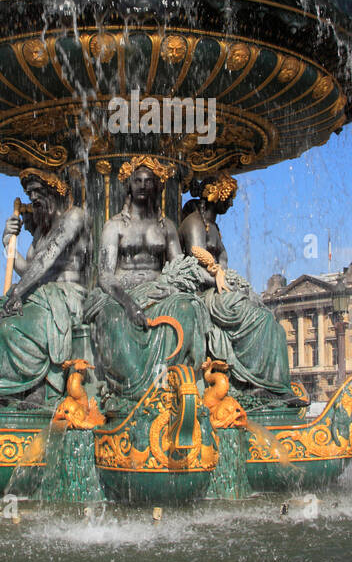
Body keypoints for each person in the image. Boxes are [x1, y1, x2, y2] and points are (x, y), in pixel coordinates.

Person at [0, 169, 90, 410]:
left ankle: (37, 389)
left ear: (55, 191)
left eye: (38, 193)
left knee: (14, 325)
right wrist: (7, 242)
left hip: (67, 295)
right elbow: (28, 270)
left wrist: (19, 292)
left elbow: (47, 260)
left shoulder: (74, 217)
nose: (33, 199)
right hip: (39, 294)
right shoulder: (42, 231)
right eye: (30, 195)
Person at [86, 156, 208, 404]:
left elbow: (179, 267)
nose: (142, 185)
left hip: (159, 290)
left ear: (157, 186)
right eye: (137, 181)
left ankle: (169, 381)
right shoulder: (114, 226)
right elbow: (105, 274)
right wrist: (129, 304)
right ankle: (130, 391)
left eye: (148, 181)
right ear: (129, 186)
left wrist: (179, 284)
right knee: (114, 317)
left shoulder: (167, 227)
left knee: (187, 307)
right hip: (119, 294)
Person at [179, 174, 302, 408]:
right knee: (257, 319)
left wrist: (227, 280)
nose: (232, 203)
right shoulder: (195, 223)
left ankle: (269, 385)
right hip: (201, 292)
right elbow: (192, 264)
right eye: (229, 197)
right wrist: (218, 280)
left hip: (217, 289)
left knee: (267, 318)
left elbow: (222, 263)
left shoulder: (213, 226)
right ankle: (258, 383)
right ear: (215, 195)